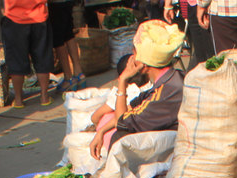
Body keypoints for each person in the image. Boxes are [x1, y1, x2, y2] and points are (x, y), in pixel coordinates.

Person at [87, 19, 184, 161]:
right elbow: (129, 108)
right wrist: (101, 130)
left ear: (143, 65)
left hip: (175, 147)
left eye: (134, 51)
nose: (132, 56)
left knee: (120, 138)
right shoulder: (174, 77)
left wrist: (122, 80)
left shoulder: (164, 94)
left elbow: (122, 121)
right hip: (173, 138)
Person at [0, 0, 50, 108]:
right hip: (39, 15)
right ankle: (44, 97)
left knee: (16, 59)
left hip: (14, 17)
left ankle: (18, 100)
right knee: (42, 56)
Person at [162, 0, 214, 68]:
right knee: (201, 55)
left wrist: (203, 6)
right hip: (192, 6)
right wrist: (168, 5)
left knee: (211, 55)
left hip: (208, 7)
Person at [48, 0, 82, 94]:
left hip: (55, 4)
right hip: (67, 2)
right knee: (69, 34)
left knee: (58, 40)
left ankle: (68, 78)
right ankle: (79, 73)